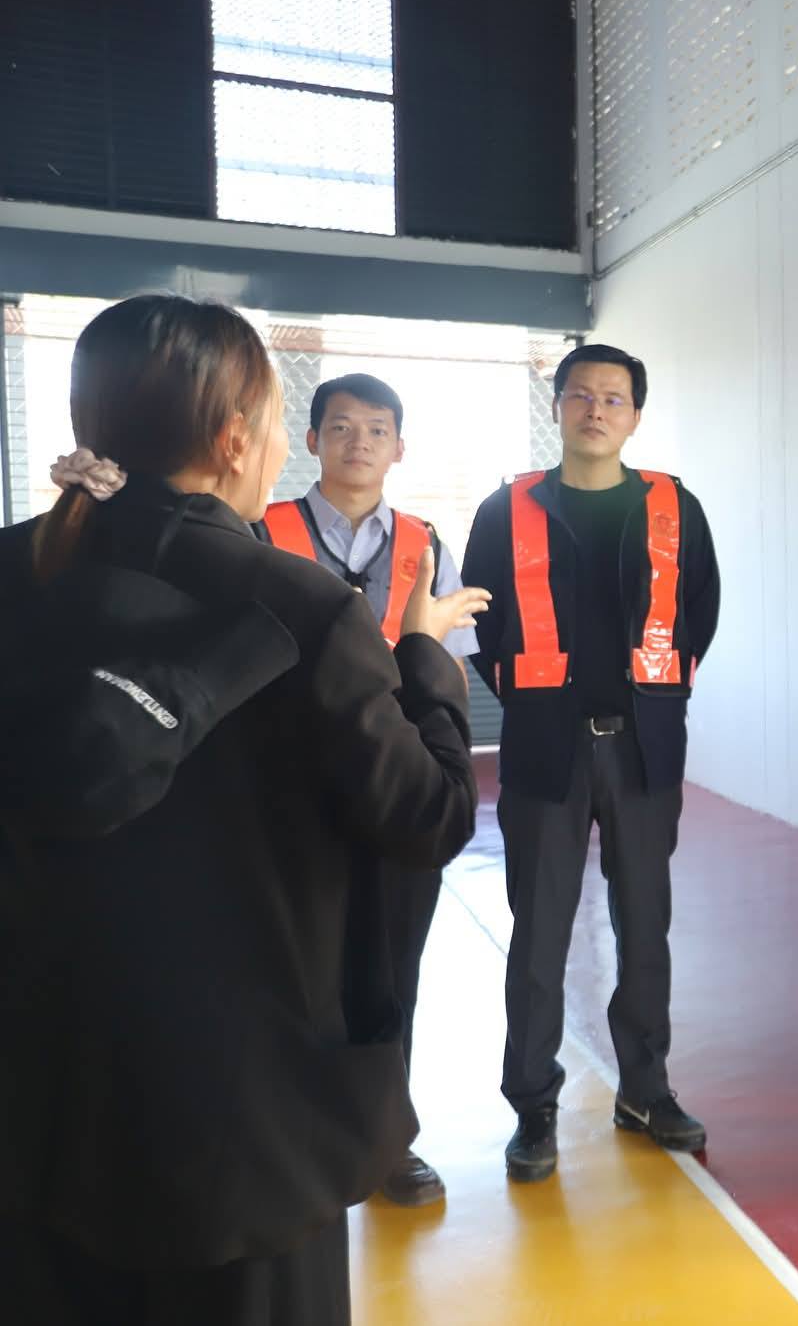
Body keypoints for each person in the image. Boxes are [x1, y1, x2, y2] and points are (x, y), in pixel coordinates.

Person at [0, 294, 483, 1325]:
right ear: (234, 439)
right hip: (243, 1133)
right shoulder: (301, 606)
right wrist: (426, 660)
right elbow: (428, 817)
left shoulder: (14, 572)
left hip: (37, 1112)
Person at [464, 342, 721, 1182]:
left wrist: (657, 695)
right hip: (546, 747)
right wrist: (535, 698)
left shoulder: (674, 506)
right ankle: (533, 1104)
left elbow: (701, 611)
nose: (596, 410)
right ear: (557, 407)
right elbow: (482, 622)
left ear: (635, 415)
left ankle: (645, 1088)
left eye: (613, 398)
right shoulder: (506, 508)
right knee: (540, 930)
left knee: (645, 925)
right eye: (580, 395)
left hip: (645, 747)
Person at [253, 371, 478, 1207]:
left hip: (395, 778)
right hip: (287, 784)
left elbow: (450, 662)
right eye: (341, 426)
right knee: (285, 964)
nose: (359, 442)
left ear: (399, 447)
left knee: (393, 968)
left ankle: (386, 1141)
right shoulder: (260, 529)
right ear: (311, 440)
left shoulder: (427, 543)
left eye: (376, 429)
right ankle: (285, 1136)